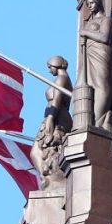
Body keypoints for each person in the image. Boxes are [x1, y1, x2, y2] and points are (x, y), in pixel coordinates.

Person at [31, 56, 73, 190]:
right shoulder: (62, 78)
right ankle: (45, 178)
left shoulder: (62, 79)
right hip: (55, 115)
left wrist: (50, 117)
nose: (49, 70)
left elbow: (57, 99)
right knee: (39, 151)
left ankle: (47, 180)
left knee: (39, 151)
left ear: (57, 65)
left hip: (56, 116)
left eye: (50, 67)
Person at [79, 0, 112, 132]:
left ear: (99, 2)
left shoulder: (106, 20)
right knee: (91, 86)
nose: (90, 6)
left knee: (101, 85)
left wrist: (85, 33)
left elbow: (105, 37)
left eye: (92, 3)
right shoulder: (90, 22)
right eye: (88, 4)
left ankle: (100, 120)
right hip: (90, 55)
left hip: (101, 54)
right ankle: (93, 119)